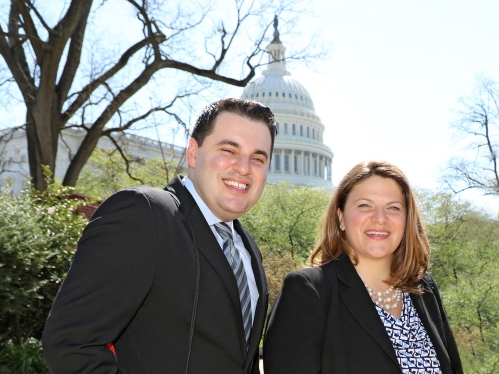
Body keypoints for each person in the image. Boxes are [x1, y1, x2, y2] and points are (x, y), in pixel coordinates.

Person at [42, 98, 276, 373]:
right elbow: (72, 343)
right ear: (193, 152)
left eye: (258, 158)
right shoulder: (143, 214)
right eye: (229, 149)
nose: (244, 167)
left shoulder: (248, 249)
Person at [263, 161, 463, 374]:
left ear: (407, 220)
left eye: (393, 208)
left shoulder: (424, 289)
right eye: (365, 205)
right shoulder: (309, 292)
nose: (380, 218)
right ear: (341, 217)